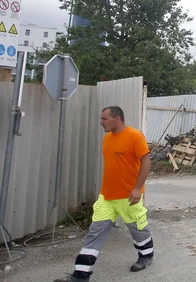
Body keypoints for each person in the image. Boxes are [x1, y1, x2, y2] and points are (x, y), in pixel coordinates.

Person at [55, 106, 154, 281]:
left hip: (129, 196)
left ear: (117, 119)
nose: (101, 123)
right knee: (95, 232)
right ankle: (80, 275)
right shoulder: (107, 138)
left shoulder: (135, 136)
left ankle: (146, 256)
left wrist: (138, 188)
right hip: (106, 196)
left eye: (104, 119)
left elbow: (146, 162)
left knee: (138, 229)